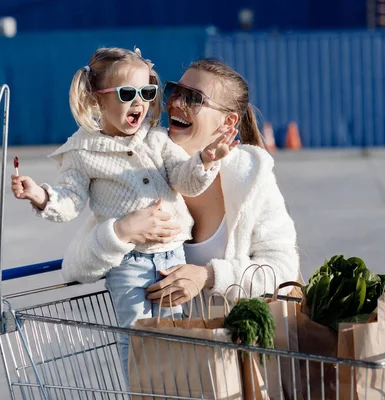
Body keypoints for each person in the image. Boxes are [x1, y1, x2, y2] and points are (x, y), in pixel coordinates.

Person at [10, 48, 239, 384]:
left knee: (179, 338)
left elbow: (184, 180)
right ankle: (143, 391)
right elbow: (70, 200)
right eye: (127, 94)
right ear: (96, 101)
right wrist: (41, 196)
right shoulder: (82, 151)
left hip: (172, 259)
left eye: (147, 93)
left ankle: (179, 391)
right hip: (128, 264)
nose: (139, 103)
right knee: (137, 341)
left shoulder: (157, 140)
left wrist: (205, 160)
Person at [62, 58, 301, 312]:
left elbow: (282, 268)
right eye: (175, 91)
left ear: (228, 122)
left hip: (242, 343)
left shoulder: (251, 177)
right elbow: (75, 268)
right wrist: (121, 232)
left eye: (193, 98)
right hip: (174, 346)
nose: (175, 103)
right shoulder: (147, 169)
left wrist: (208, 276)